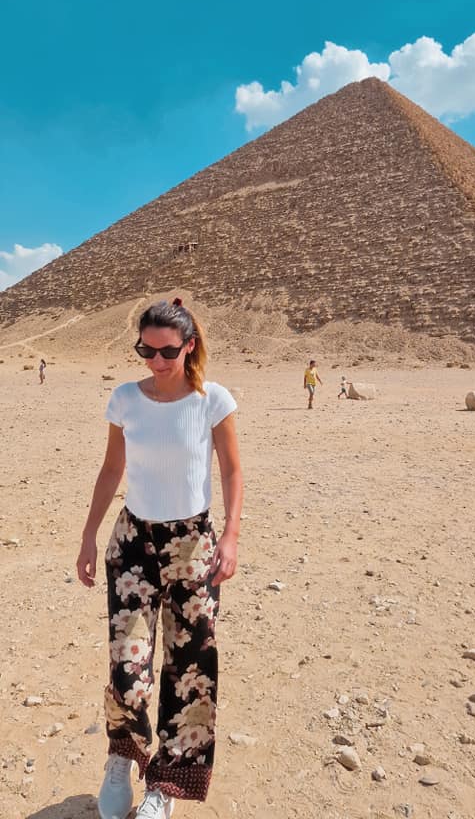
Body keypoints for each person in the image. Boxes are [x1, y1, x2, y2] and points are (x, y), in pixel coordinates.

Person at [76, 298, 243, 819]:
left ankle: (166, 784)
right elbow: (111, 470)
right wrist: (88, 535)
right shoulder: (126, 399)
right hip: (133, 544)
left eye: (167, 351)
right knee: (127, 664)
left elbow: (232, 471)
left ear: (189, 345)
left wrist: (231, 536)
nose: (156, 361)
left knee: (189, 668)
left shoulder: (212, 400)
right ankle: (122, 755)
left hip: (193, 546)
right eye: (145, 350)